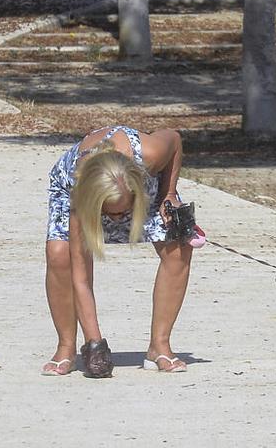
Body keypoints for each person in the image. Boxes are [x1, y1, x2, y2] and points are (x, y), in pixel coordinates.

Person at [41, 125, 194, 378]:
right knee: (60, 255)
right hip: (78, 189)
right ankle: (66, 347)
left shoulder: (151, 155)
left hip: (137, 185)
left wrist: (168, 194)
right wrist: (95, 345)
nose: (118, 221)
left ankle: (160, 346)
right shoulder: (80, 192)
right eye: (111, 216)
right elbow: (81, 279)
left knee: (178, 247)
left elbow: (175, 138)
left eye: (124, 212)